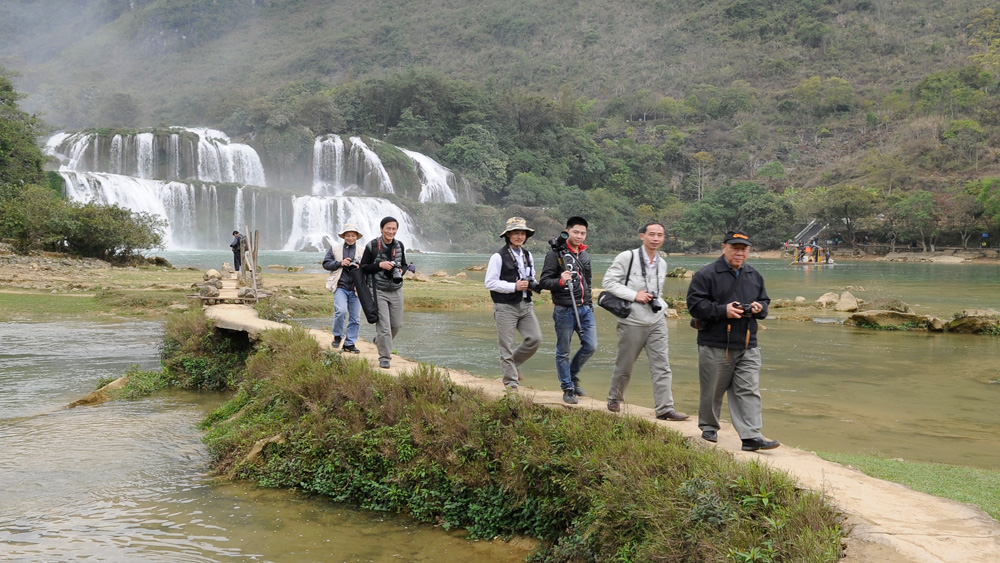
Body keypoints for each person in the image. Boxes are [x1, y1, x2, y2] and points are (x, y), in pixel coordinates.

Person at [686, 230, 780, 452]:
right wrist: (723, 310)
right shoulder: (706, 274)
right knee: (712, 389)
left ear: (749, 251)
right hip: (714, 341)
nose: (739, 252)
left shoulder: (754, 275)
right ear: (724, 248)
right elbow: (695, 305)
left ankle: (751, 436)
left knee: (748, 389)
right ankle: (709, 427)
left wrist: (759, 308)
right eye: (735, 248)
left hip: (747, 342)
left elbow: (765, 302)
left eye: (744, 249)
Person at [602, 222, 689, 421]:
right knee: (625, 364)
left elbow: (655, 291)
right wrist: (634, 295)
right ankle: (614, 397)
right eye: (652, 234)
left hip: (656, 320)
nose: (656, 238)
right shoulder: (627, 257)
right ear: (642, 236)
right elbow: (608, 282)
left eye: (660, 235)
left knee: (662, 366)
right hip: (632, 320)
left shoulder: (662, 262)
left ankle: (665, 408)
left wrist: (662, 307)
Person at [539, 216, 596, 404]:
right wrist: (560, 281)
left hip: (585, 308)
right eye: (576, 232)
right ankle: (568, 388)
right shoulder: (555, 253)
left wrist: (589, 304)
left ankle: (572, 374)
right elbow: (544, 281)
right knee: (563, 350)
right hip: (564, 309)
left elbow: (587, 282)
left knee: (591, 345)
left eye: (583, 233)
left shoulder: (585, 255)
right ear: (567, 231)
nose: (579, 236)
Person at [485, 217, 542, 391]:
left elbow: (531, 276)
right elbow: (490, 283)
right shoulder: (498, 256)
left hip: (525, 304)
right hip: (505, 307)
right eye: (516, 233)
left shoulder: (528, 255)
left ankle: (514, 364)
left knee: (535, 338)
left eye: (522, 233)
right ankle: (511, 383)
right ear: (508, 235)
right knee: (506, 346)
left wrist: (534, 285)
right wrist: (513, 286)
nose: (519, 236)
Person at [360, 216, 410, 369]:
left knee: (396, 325)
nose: (391, 231)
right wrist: (379, 265)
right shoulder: (372, 246)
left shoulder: (399, 245)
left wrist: (401, 270)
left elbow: (405, 264)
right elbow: (363, 267)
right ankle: (385, 357)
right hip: (378, 290)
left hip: (396, 289)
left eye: (394, 228)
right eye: (388, 228)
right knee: (384, 327)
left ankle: (379, 341)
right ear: (382, 229)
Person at [323, 223, 364, 354]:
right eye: (348, 235)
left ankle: (349, 343)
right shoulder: (335, 249)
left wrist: (359, 267)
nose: (350, 238)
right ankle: (337, 335)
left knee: (355, 318)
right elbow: (326, 264)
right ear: (344, 236)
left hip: (356, 288)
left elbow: (368, 268)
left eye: (353, 235)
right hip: (340, 286)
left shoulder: (363, 251)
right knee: (340, 311)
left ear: (357, 236)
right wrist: (340, 263)